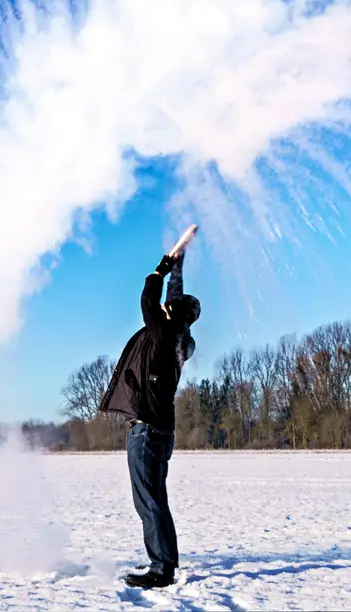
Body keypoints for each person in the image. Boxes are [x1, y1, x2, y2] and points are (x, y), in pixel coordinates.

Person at [98, 224, 201, 589]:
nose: (163, 307)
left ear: (173, 314)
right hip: (160, 430)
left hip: (146, 432)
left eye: (168, 307)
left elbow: (148, 300)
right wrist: (178, 262)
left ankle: (161, 569)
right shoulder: (178, 336)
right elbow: (174, 298)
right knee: (155, 499)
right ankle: (165, 561)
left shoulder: (164, 333)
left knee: (148, 501)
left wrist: (160, 268)